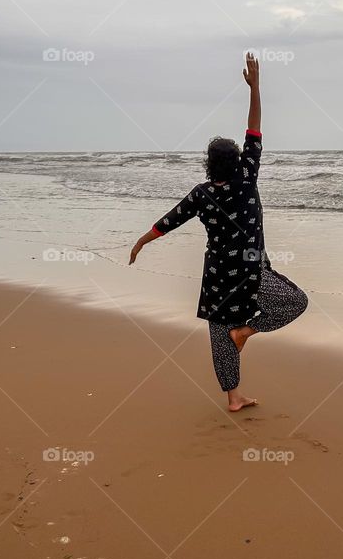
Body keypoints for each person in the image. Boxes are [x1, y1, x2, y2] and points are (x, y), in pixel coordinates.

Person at [129, 53, 308, 412]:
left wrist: (140, 242)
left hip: (217, 276)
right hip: (250, 271)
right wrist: (255, 87)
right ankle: (247, 334)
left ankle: (233, 396)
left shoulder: (202, 193)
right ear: (238, 159)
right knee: (295, 302)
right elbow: (254, 127)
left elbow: (169, 220)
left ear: (210, 165)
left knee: (219, 331)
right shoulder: (246, 177)